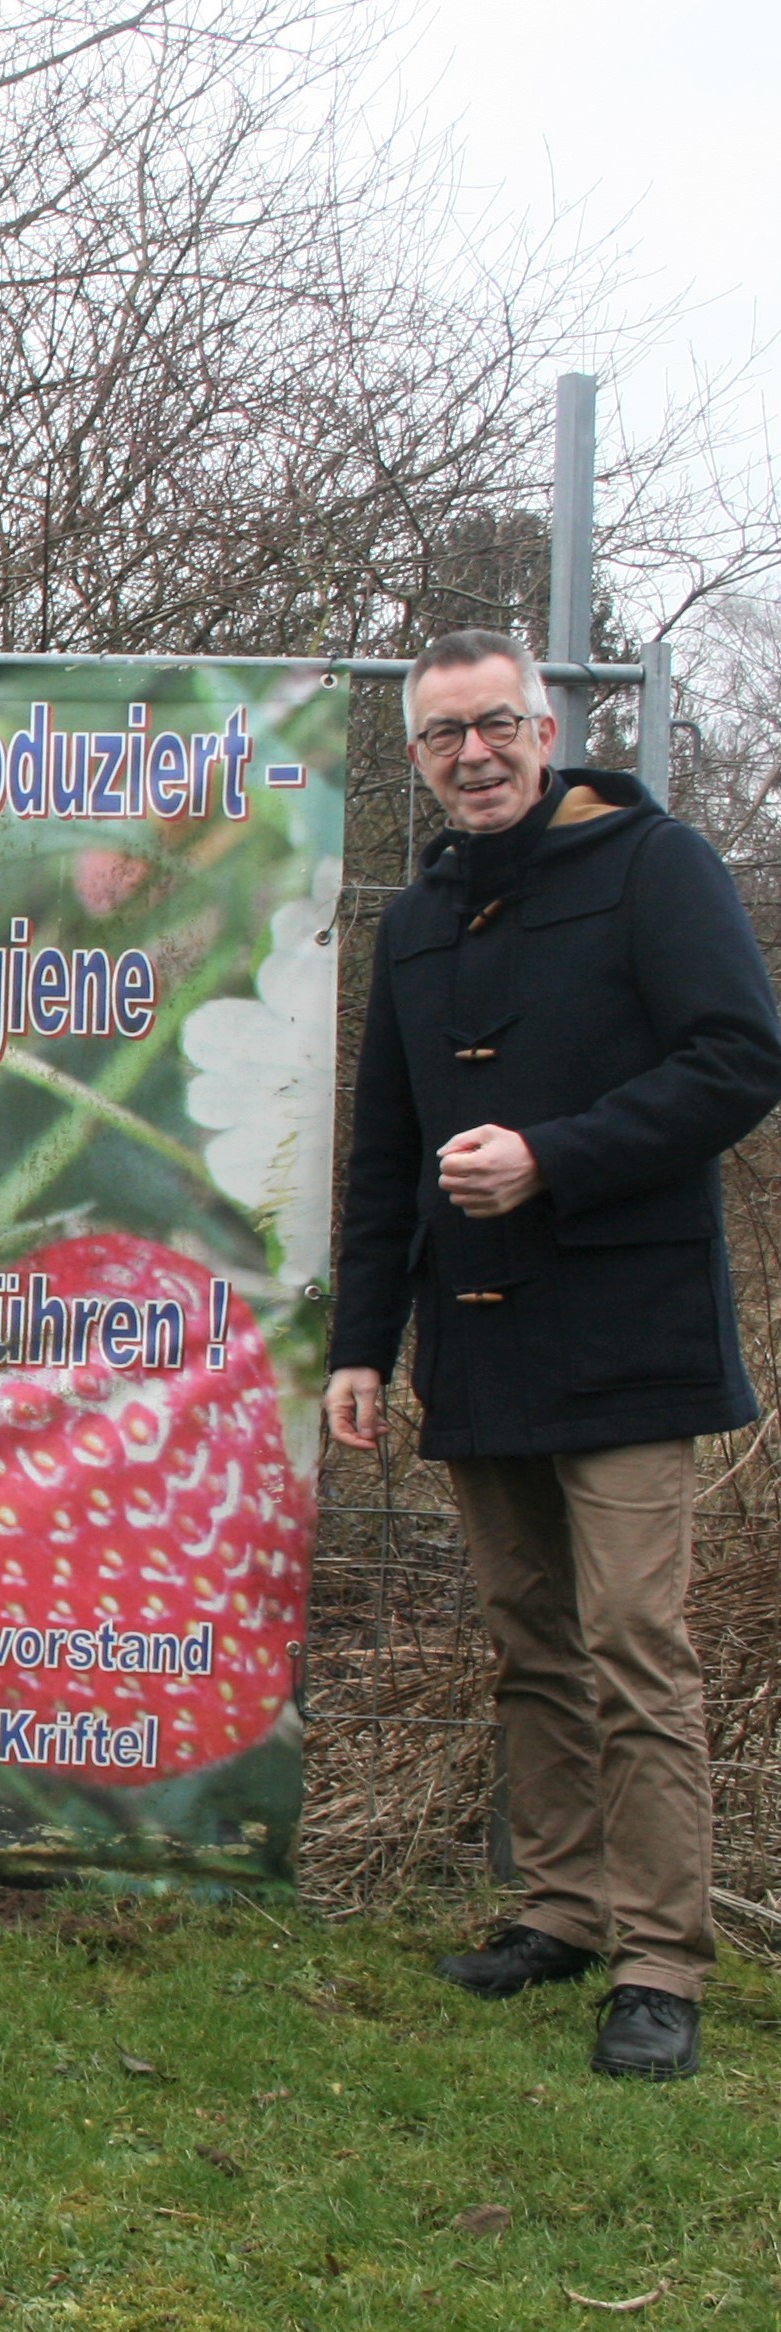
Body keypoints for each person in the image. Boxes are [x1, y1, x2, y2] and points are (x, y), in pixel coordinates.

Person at [329, 628, 781, 2083]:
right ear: (414, 756)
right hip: (476, 1337)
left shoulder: (660, 868)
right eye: (442, 734)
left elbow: (737, 1059)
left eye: (497, 724)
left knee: (637, 1648)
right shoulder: (415, 917)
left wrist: (552, 1158)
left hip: (630, 1333)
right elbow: (388, 1145)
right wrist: (361, 1344)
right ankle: (563, 1911)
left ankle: (661, 1963)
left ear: (548, 727)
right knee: (528, 1641)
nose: (473, 754)